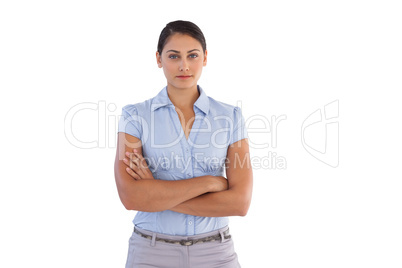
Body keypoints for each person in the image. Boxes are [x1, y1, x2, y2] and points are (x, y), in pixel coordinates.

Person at [114, 20, 253, 268]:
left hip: (216, 254)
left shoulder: (230, 117)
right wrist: (211, 183)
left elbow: (239, 203)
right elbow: (131, 197)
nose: (184, 65)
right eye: (173, 56)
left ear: (205, 57)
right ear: (159, 59)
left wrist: (155, 192)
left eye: (192, 55)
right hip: (151, 253)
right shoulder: (135, 116)